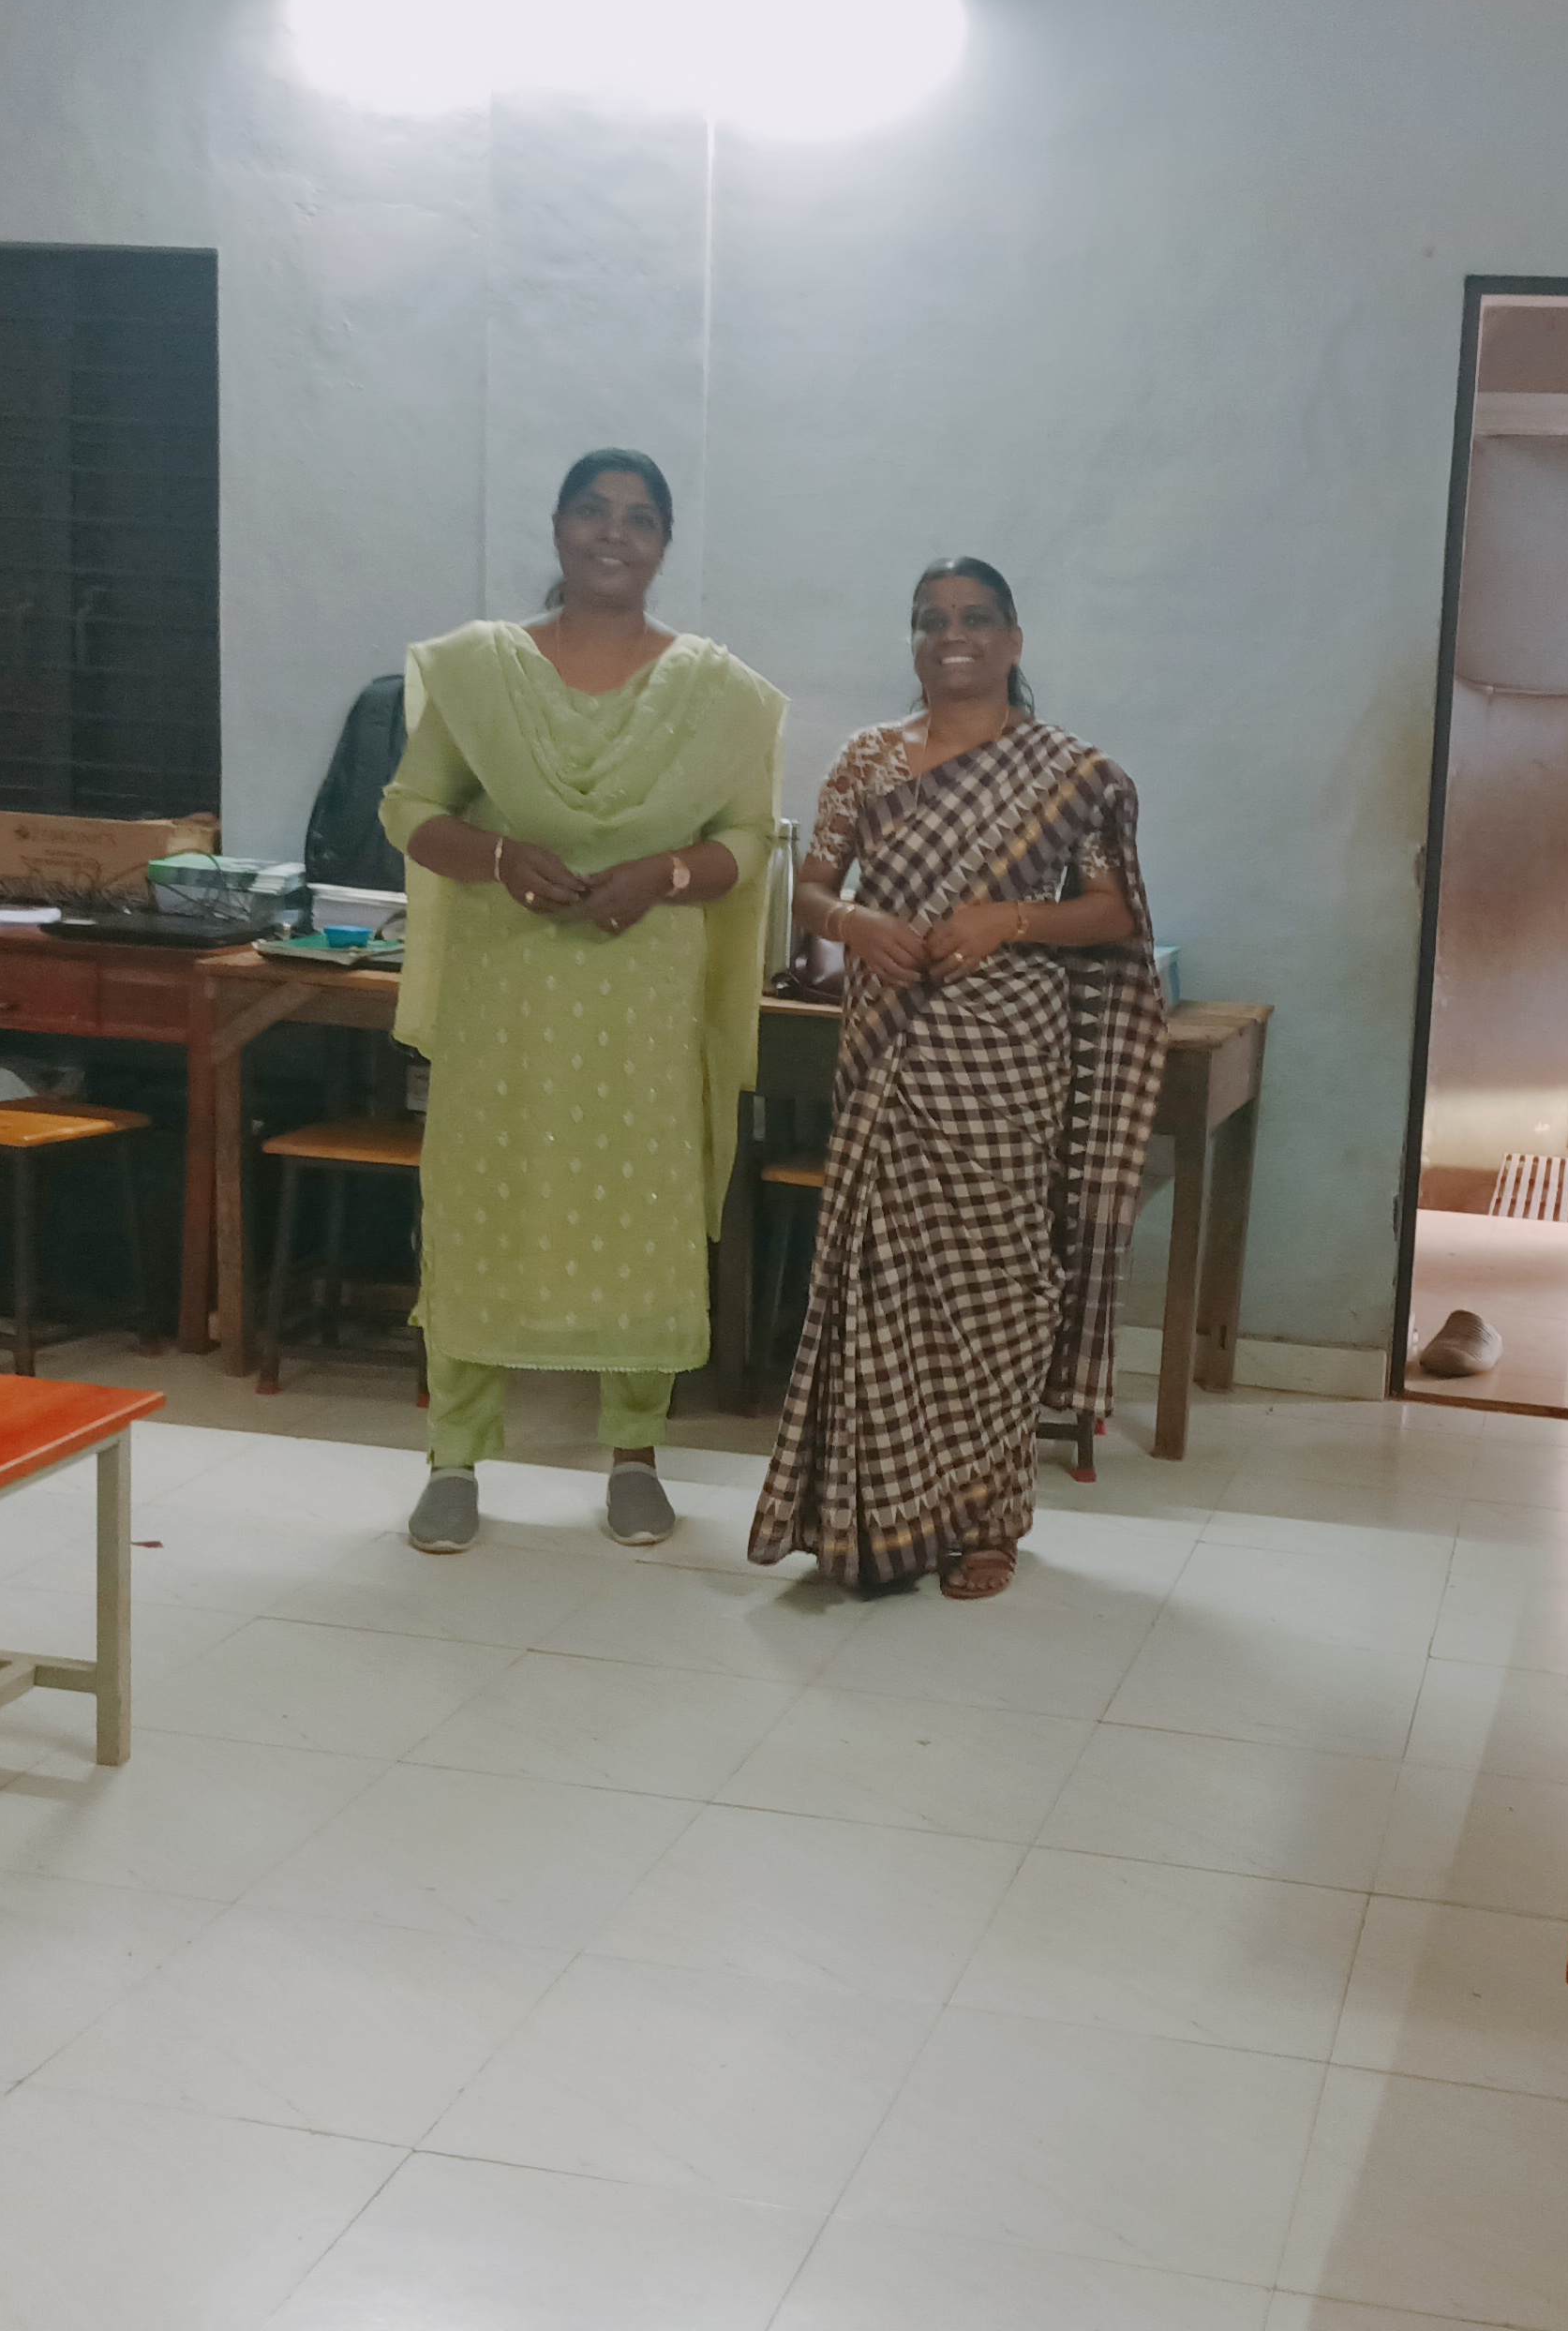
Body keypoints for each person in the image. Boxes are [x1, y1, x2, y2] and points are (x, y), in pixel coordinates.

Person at [382, 448, 784, 1552]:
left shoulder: (718, 695)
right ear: (558, 527)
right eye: (595, 511)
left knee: (643, 1212)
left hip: (642, 994)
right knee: (480, 1202)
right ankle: (454, 1458)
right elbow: (410, 807)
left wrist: (664, 874)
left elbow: (749, 840)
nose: (615, 533)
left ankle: (635, 1455)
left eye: (640, 518)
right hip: (506, 992)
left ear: (663, 545)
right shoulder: (482, 671)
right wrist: (498, 857)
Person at [749, 561, 1167, 1600]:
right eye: (931, 621)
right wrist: (856, 924)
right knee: (882, 1280)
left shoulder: (1070, 774)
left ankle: (990, 1522)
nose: (953, 636)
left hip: (1005, 1059)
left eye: (976, 619)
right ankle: (881, 1514)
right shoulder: (866, 759)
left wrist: (1008, 919)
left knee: (999, 1286)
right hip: (887, 1047)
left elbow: (1114, 912)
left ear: (1013, 640)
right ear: (914, 640)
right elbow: (809, 890)